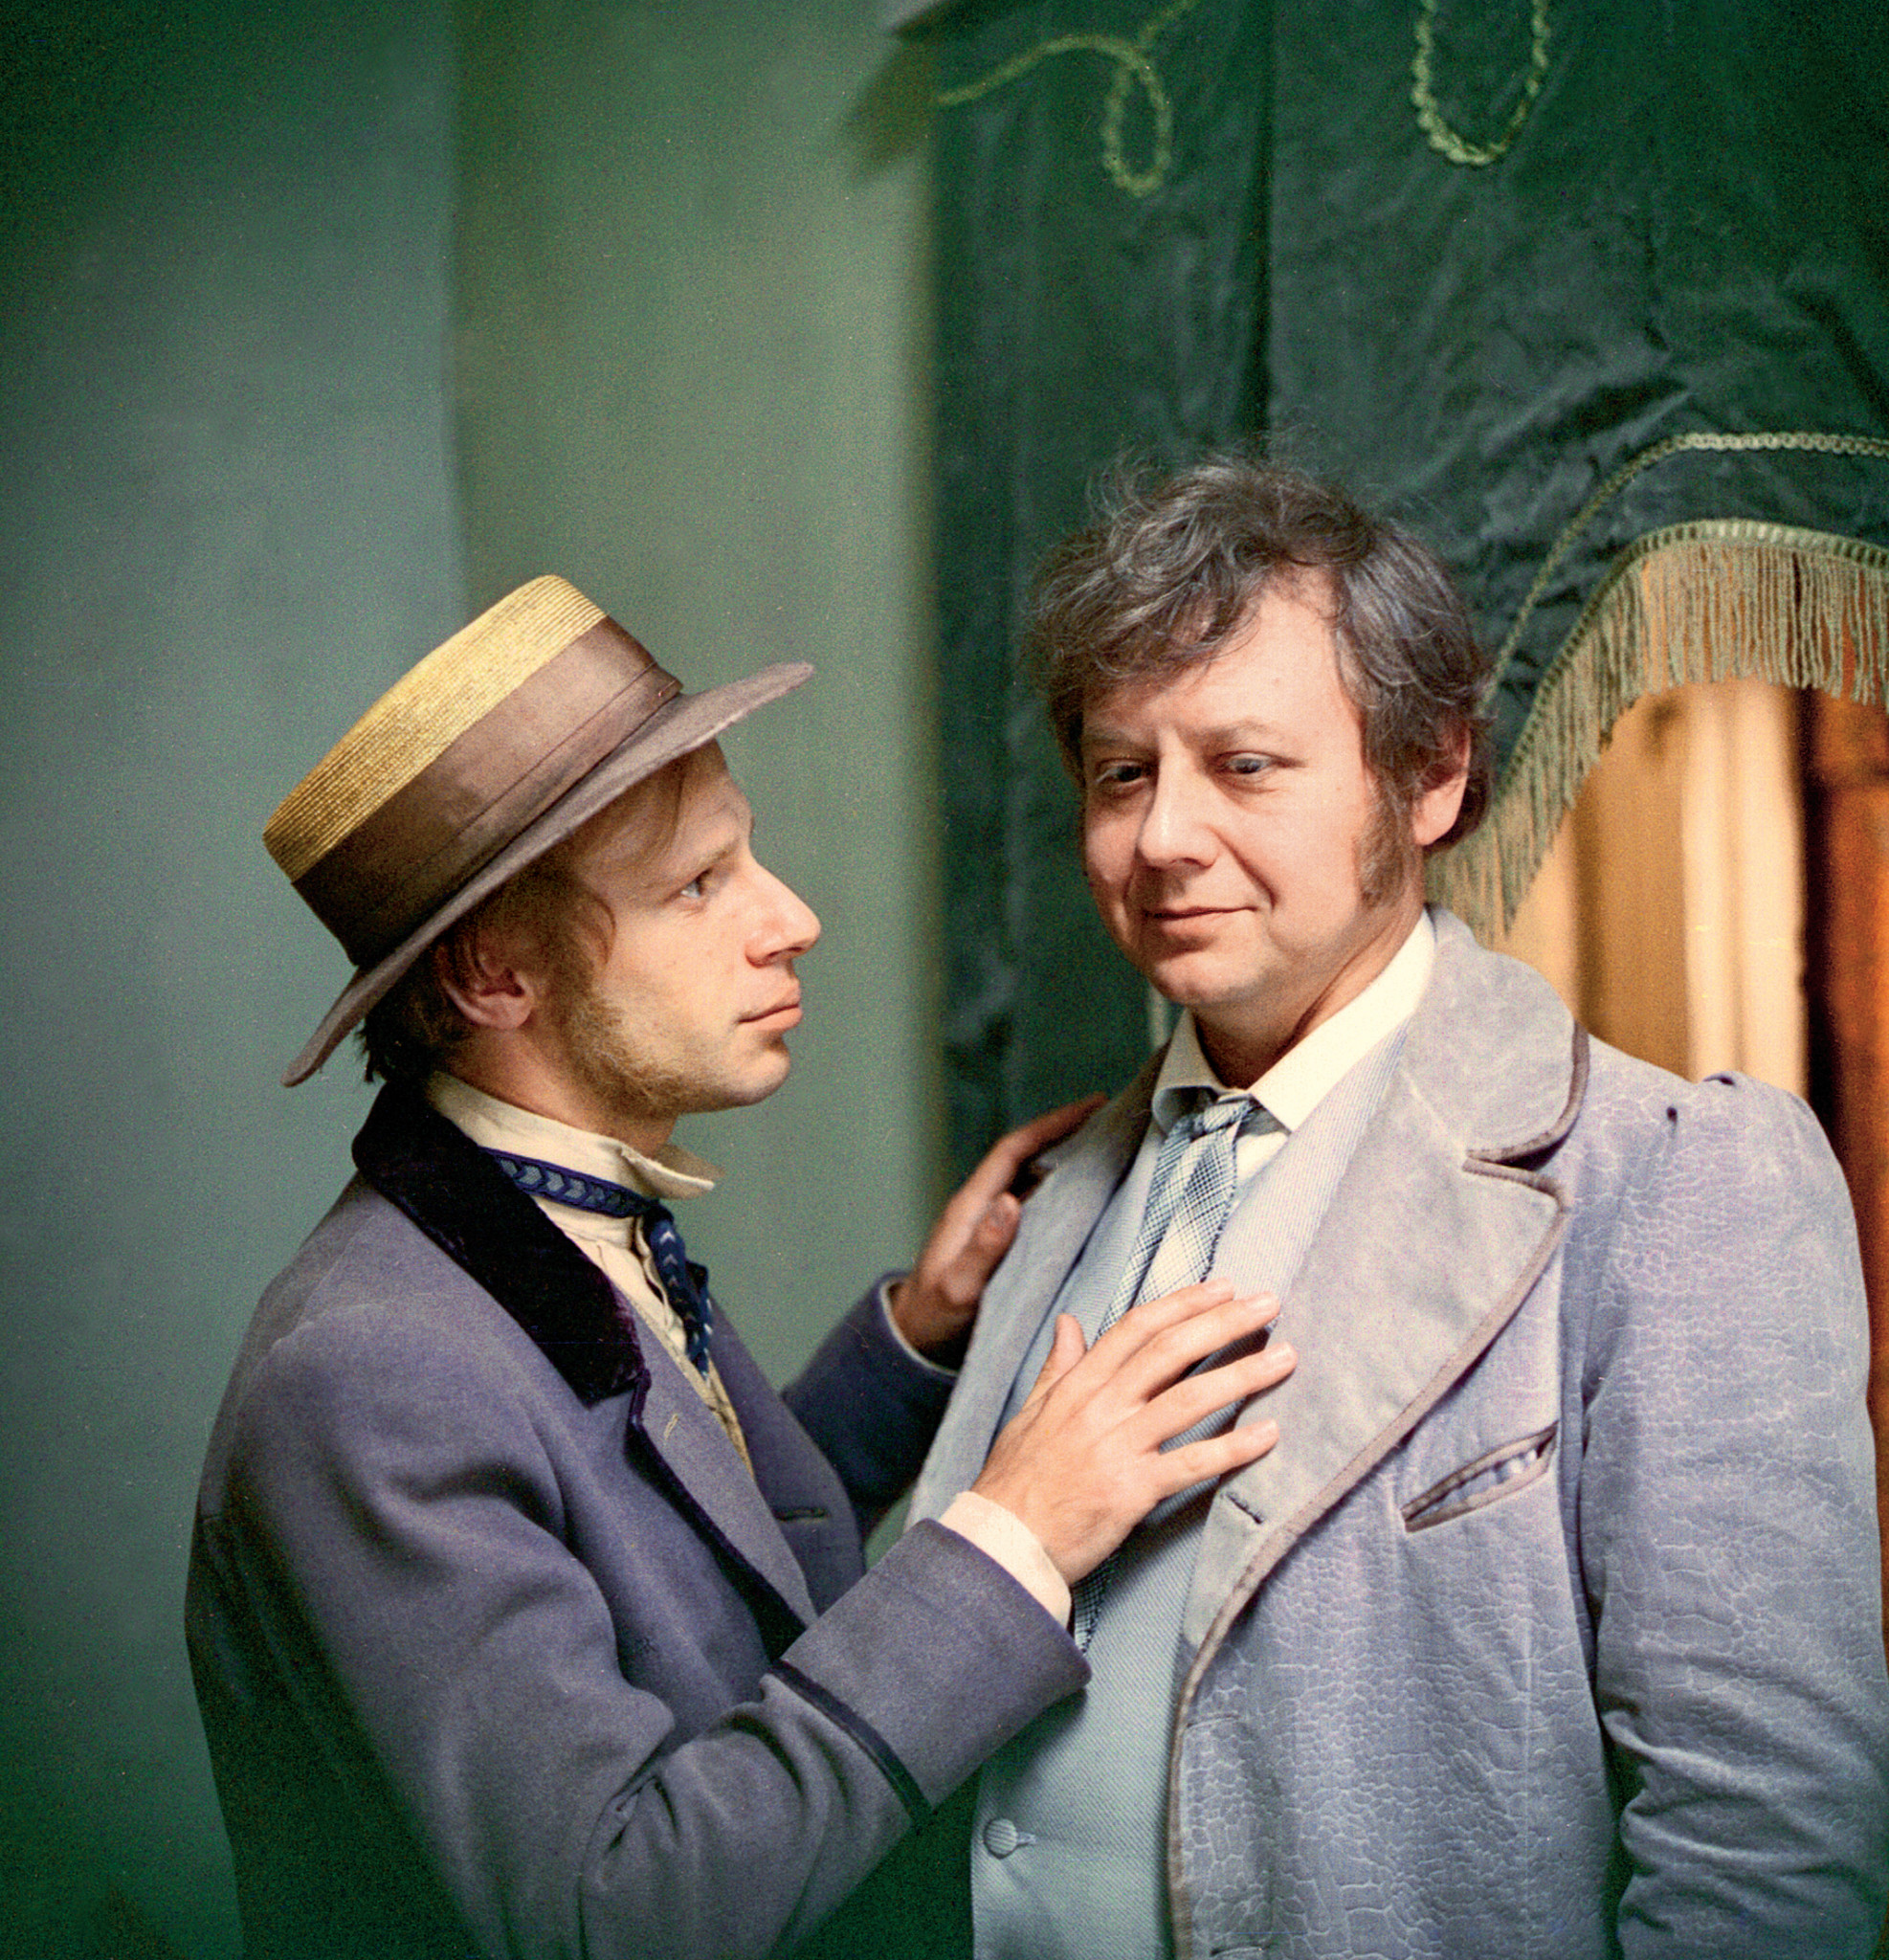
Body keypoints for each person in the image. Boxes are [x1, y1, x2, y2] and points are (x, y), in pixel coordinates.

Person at [184, 575, 1300, 1959]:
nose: (791, 918)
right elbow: (615, 1913)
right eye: (698, 884)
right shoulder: (369, 1378)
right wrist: (1014, 1538)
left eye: (747, 854)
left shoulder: (535, 1226)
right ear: (490, 976)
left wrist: (917, 1336)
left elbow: (670, 1563)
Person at [908, 457, 1889, 1959]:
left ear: (1429, 775)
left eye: (1246, 765)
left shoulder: (1674, 1178)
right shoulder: (1052, 1193)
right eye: (1122, 773)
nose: (1163, 837)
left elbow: (1765, 1849)